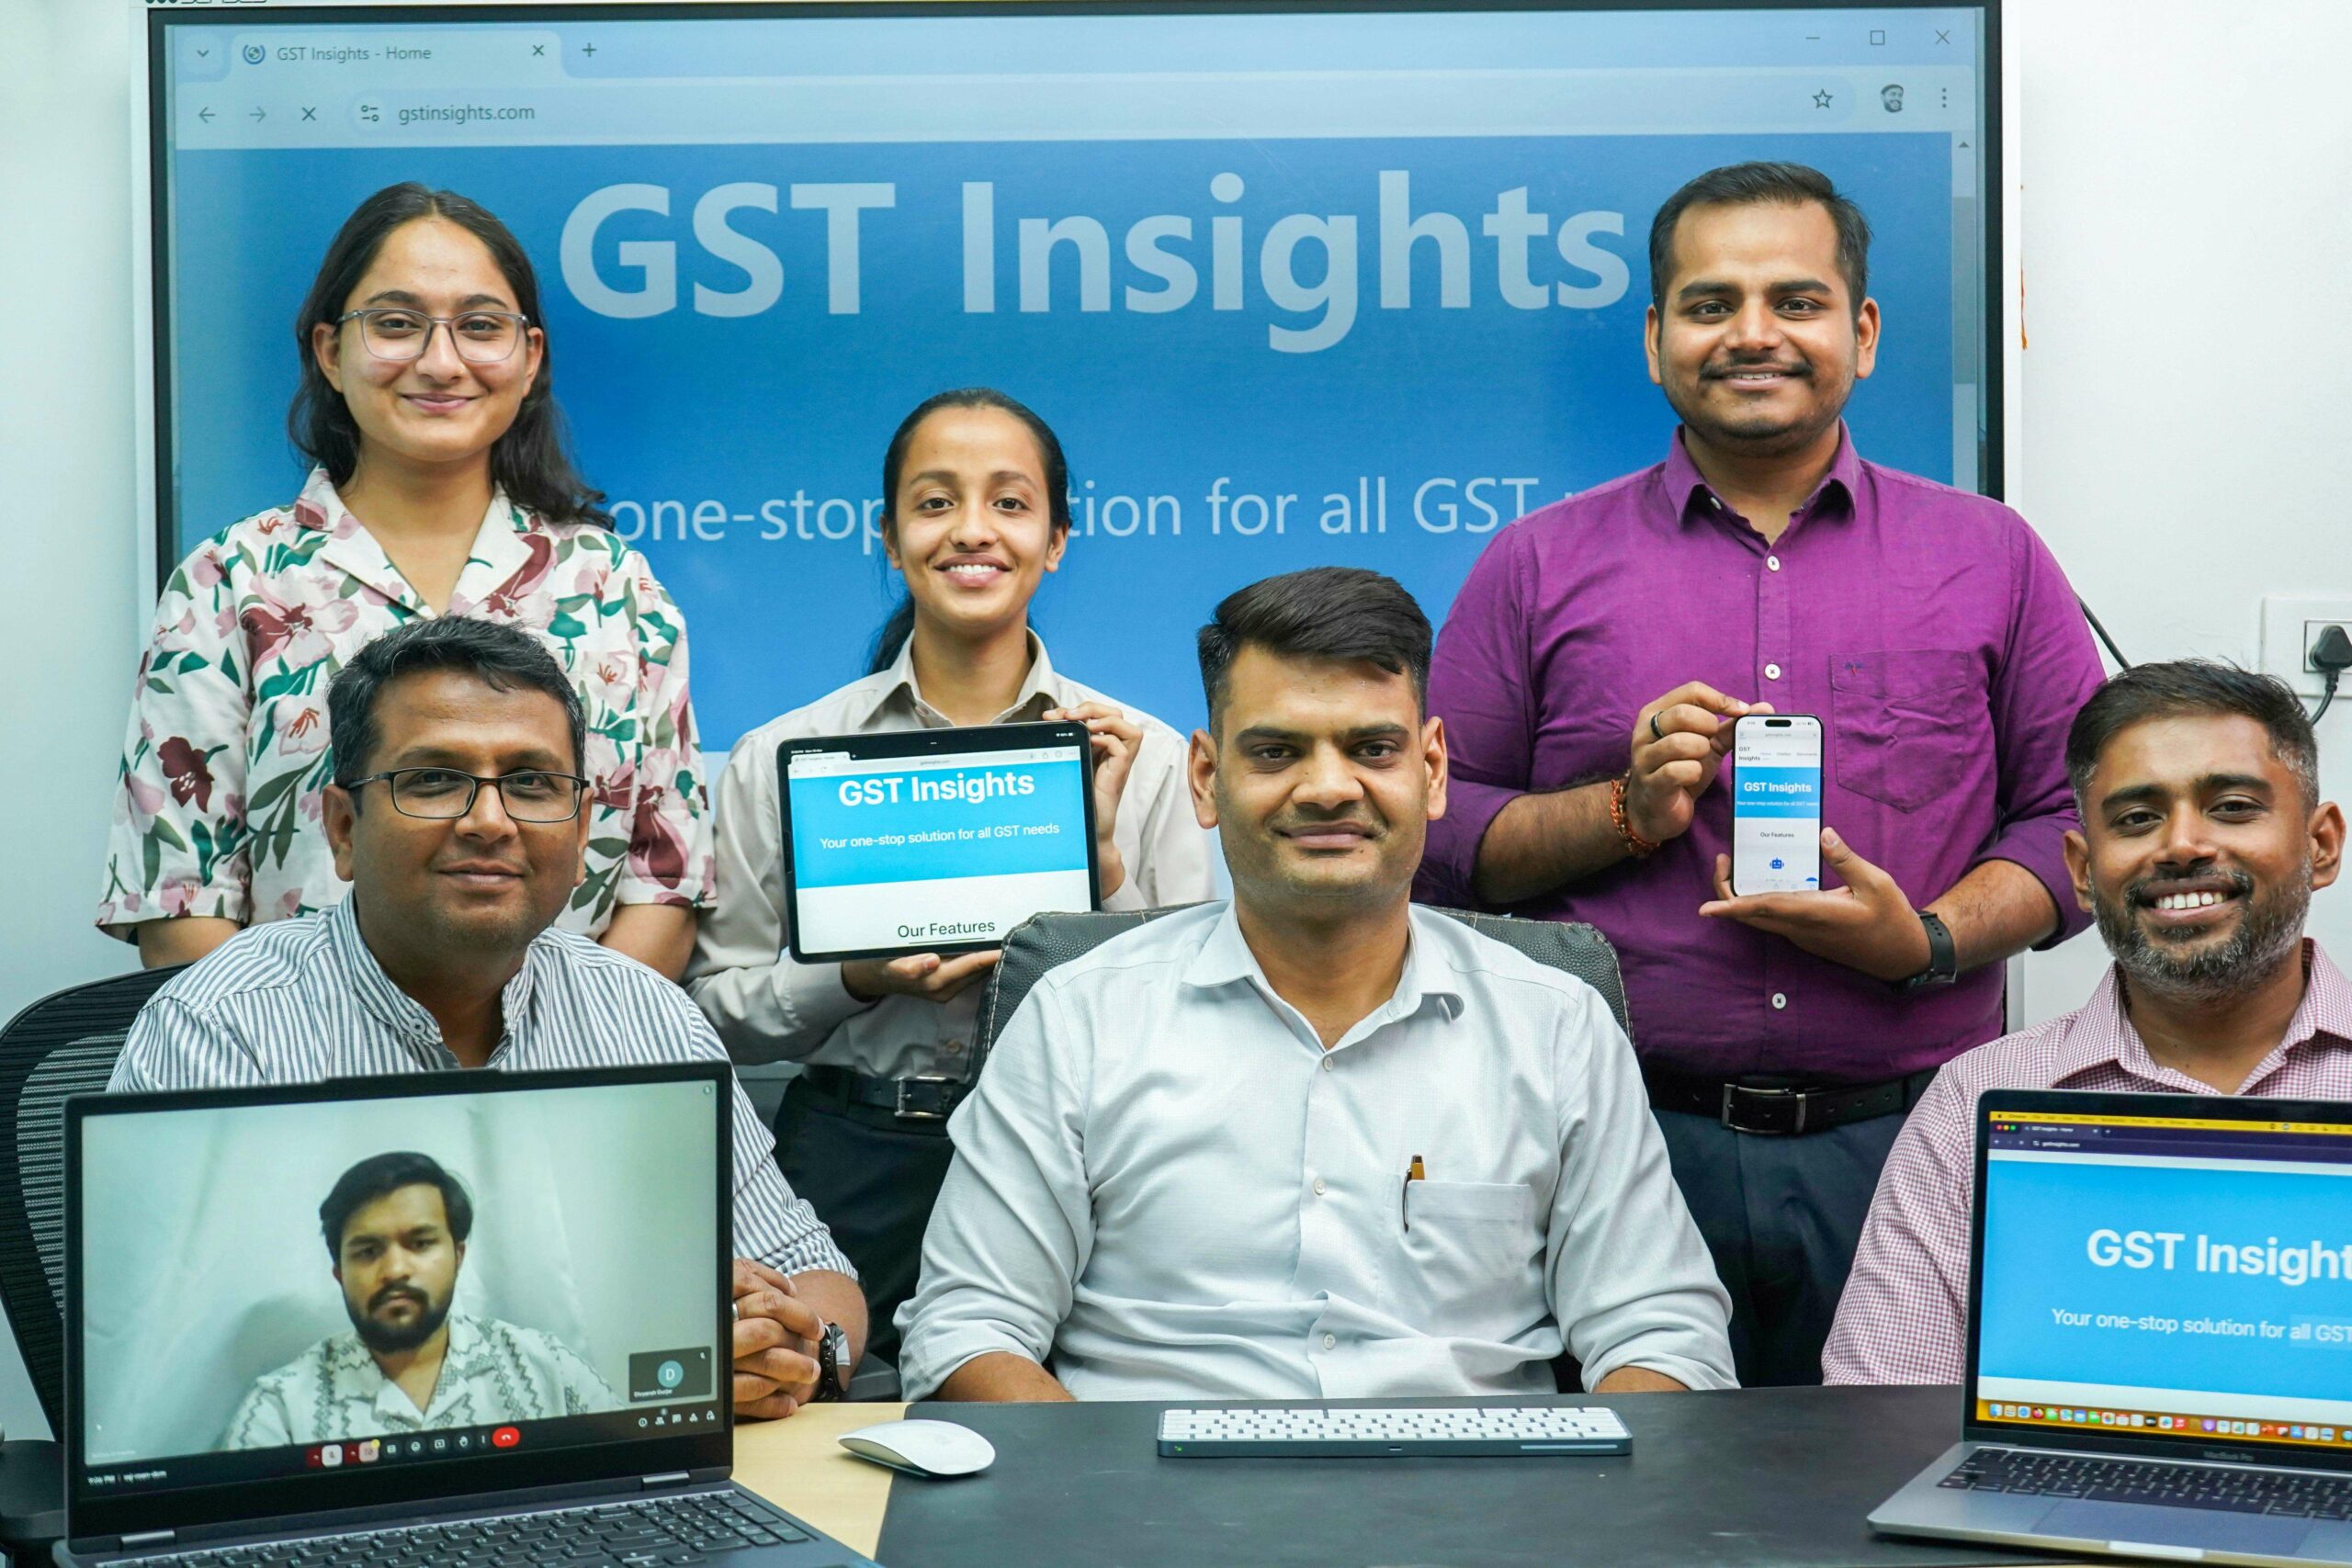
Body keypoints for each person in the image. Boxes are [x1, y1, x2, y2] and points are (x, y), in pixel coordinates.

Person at [1416, 160, 2106, 1386]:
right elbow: (1434, 832)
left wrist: (1924, 942)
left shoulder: (1991, 555)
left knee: (1898, 1475)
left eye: (1794, 300)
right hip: (1611, 1142)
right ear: (1655, 338)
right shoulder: (1535, 563)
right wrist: (1623, 811)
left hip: (1908, 1144)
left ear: (1863, 331)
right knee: (1622, 1481)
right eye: (1709, 303)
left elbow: (2078, 822)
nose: (1751, 333)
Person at [895, 567, 1735, 1403]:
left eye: (1373, 749)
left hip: (1475, 1485)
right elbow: (969, 1326)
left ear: (1433, 769)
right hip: (1143, 1479)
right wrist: (1110, 1486)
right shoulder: (1077, 1017)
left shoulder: (1556, 1026)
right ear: (1205, 777)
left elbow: (1664, 1335)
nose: (1330, 788)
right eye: (1276, 751)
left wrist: (1573, 1485)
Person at [114, 616, 863, 1420]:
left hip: (616, 1475)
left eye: (532, 783)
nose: (490, 821)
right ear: (343, 828)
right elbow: (170, 1371)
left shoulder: (646, 1016)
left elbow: (815, 1273)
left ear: (581, 831)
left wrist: (793, 1350)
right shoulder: (220, 1028)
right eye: (435, 779)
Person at [687, 389, 1214, 1361]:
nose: (972, 529)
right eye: (935, 503)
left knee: (1058, 1421)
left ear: (1056, 540)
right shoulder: (780, 755)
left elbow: (1193, 1023)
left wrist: (1101, 866)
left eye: (1010, 503)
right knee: (817, 1409)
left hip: (1079, 1163)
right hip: (849, 1162)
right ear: (890, 539)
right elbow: (712, 1016)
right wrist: (853, 977)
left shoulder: (1140, 758)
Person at [100, 182, 709, 980]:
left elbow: (664, 890)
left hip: (571, 1055)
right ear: (330, 351)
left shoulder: (617, 588)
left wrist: (557, 1048)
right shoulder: (230, 584)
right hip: (289, 1053)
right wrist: (320, 1052)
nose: (441, 362)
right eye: (395, 324)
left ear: (530, 357)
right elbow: (179, 904)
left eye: (480, 327)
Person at [1826, 661, 2349, 1385]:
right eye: (2137, 819)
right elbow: (1883, 1413)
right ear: (2080, 869)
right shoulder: (1973, 1100)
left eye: (2232, 806)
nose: (2182, 845)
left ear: (2321, 844)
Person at [226, 1152, 616, 1448]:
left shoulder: (544, 1366)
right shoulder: (280, 1410)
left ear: (457, 1256)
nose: (395, 1269)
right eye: (368, 1251)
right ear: (340, 1274)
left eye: (420, 1243)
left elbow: (632, 1468)